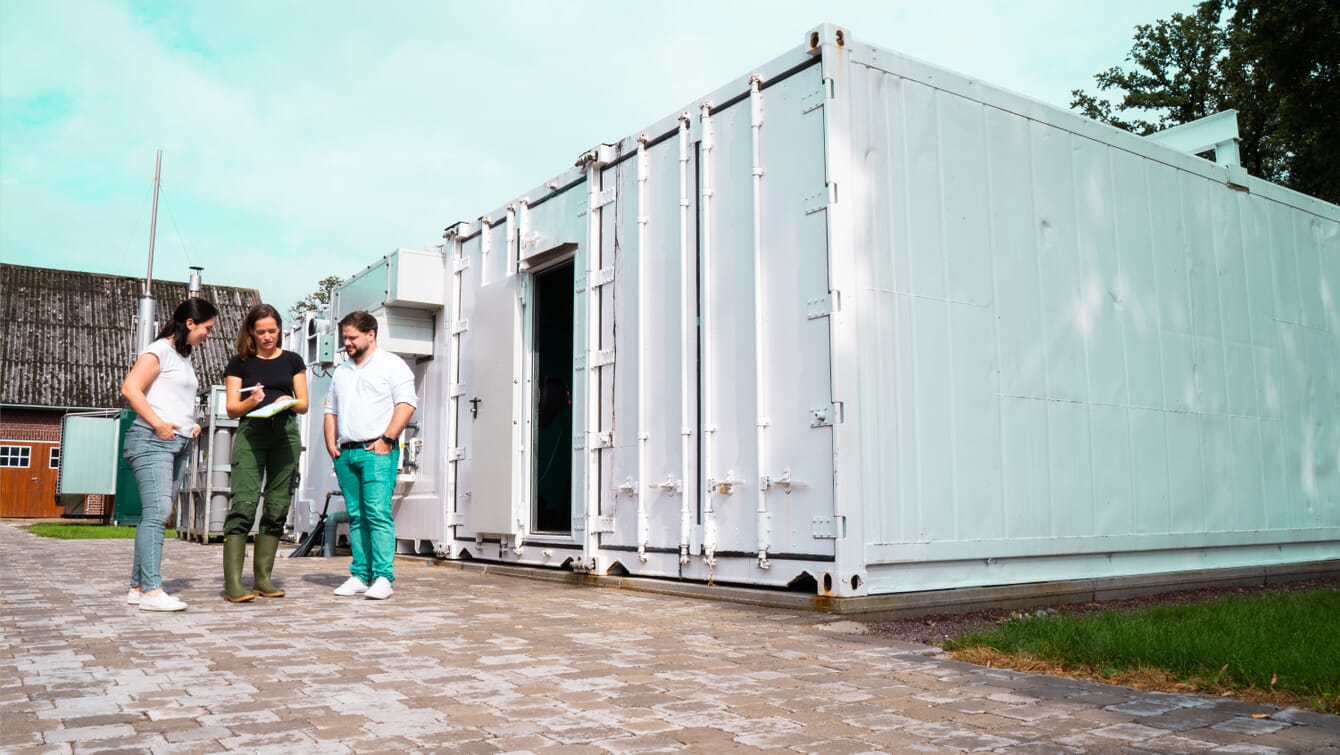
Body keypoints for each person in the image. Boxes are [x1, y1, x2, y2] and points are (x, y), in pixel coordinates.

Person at [120, 298, 218, 612]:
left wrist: (190, 426)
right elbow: (131, 389)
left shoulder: (183, 357)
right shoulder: (159, 350)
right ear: (190, 323)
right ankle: (151, 591)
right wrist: (159, 424)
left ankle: (137, 586)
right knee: (159, 513)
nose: (209, 334)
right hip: (151, 440)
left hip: (178, 442)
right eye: (207, 328)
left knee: (156, 514)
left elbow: (171, 398)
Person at [324, 311, 417, 600]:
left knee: (377, 513)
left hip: (376, 451)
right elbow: (331, 410)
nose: (347, 343)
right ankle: (360, 575)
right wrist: (331, 444)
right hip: (346, 453)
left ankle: (383, 577)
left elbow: (406, 404)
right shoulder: (341, 370)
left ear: (371, 334)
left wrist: (387, 439)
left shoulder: (392, 365)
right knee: (356, 515)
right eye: (345, 338)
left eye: (352, 338)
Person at [220, 304, 308, 602]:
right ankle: (233, 584)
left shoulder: (293, 361)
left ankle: (263, 579)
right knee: (244, 503)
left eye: (272, 330)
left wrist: (288, 400)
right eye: (261, 332)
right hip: (251, 435)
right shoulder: (239, 363)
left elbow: (304, 404)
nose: (267, 337)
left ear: (280, 329)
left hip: (285, 434)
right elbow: (232, 409)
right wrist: (252, 400)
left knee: (277, 505)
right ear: (251, 333)